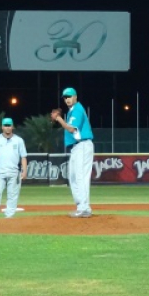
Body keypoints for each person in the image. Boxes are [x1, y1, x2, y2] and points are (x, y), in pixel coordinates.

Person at [51, 87, 94, 218]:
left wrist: (59, 119)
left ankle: (84, 208)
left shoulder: (77, 109)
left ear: (75, 97)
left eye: (69, 96)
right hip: (77, 147)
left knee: (80, 177)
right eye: (65, 97)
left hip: (83, 145)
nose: (67, 99)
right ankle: (81, 206)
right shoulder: (71, 111)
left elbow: (71, 129)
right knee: (73, 177)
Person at [0, 117, 28, 219]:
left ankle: (9, 217)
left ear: (12, 127)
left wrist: (24, 171)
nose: (7, 128)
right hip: (1, 173)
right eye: (5, 125)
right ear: (2, 127)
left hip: (14, 172)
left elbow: (23, 157)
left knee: (12, 196)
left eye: (9, 125)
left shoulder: (18, 140)